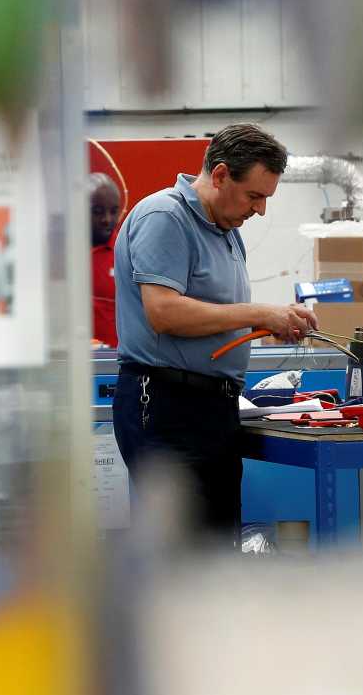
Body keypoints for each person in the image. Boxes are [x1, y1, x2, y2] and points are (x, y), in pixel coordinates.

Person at [111, 123, 317, 543]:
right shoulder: (165, 217)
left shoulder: (225, 230)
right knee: (183, 559)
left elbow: (214, 315)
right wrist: (259, 311)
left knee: (217, 555)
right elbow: (164, 313)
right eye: (254, 195)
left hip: (211, 413)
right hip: (167, 410)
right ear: (220, 175)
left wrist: (272, 321)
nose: (259, 210)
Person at [89, 172, 123, 346]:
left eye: (113, 211)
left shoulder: (127, 254)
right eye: (97, 211)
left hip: (112, 365)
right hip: (68, 363)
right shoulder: (61, 255)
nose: (107, 219)